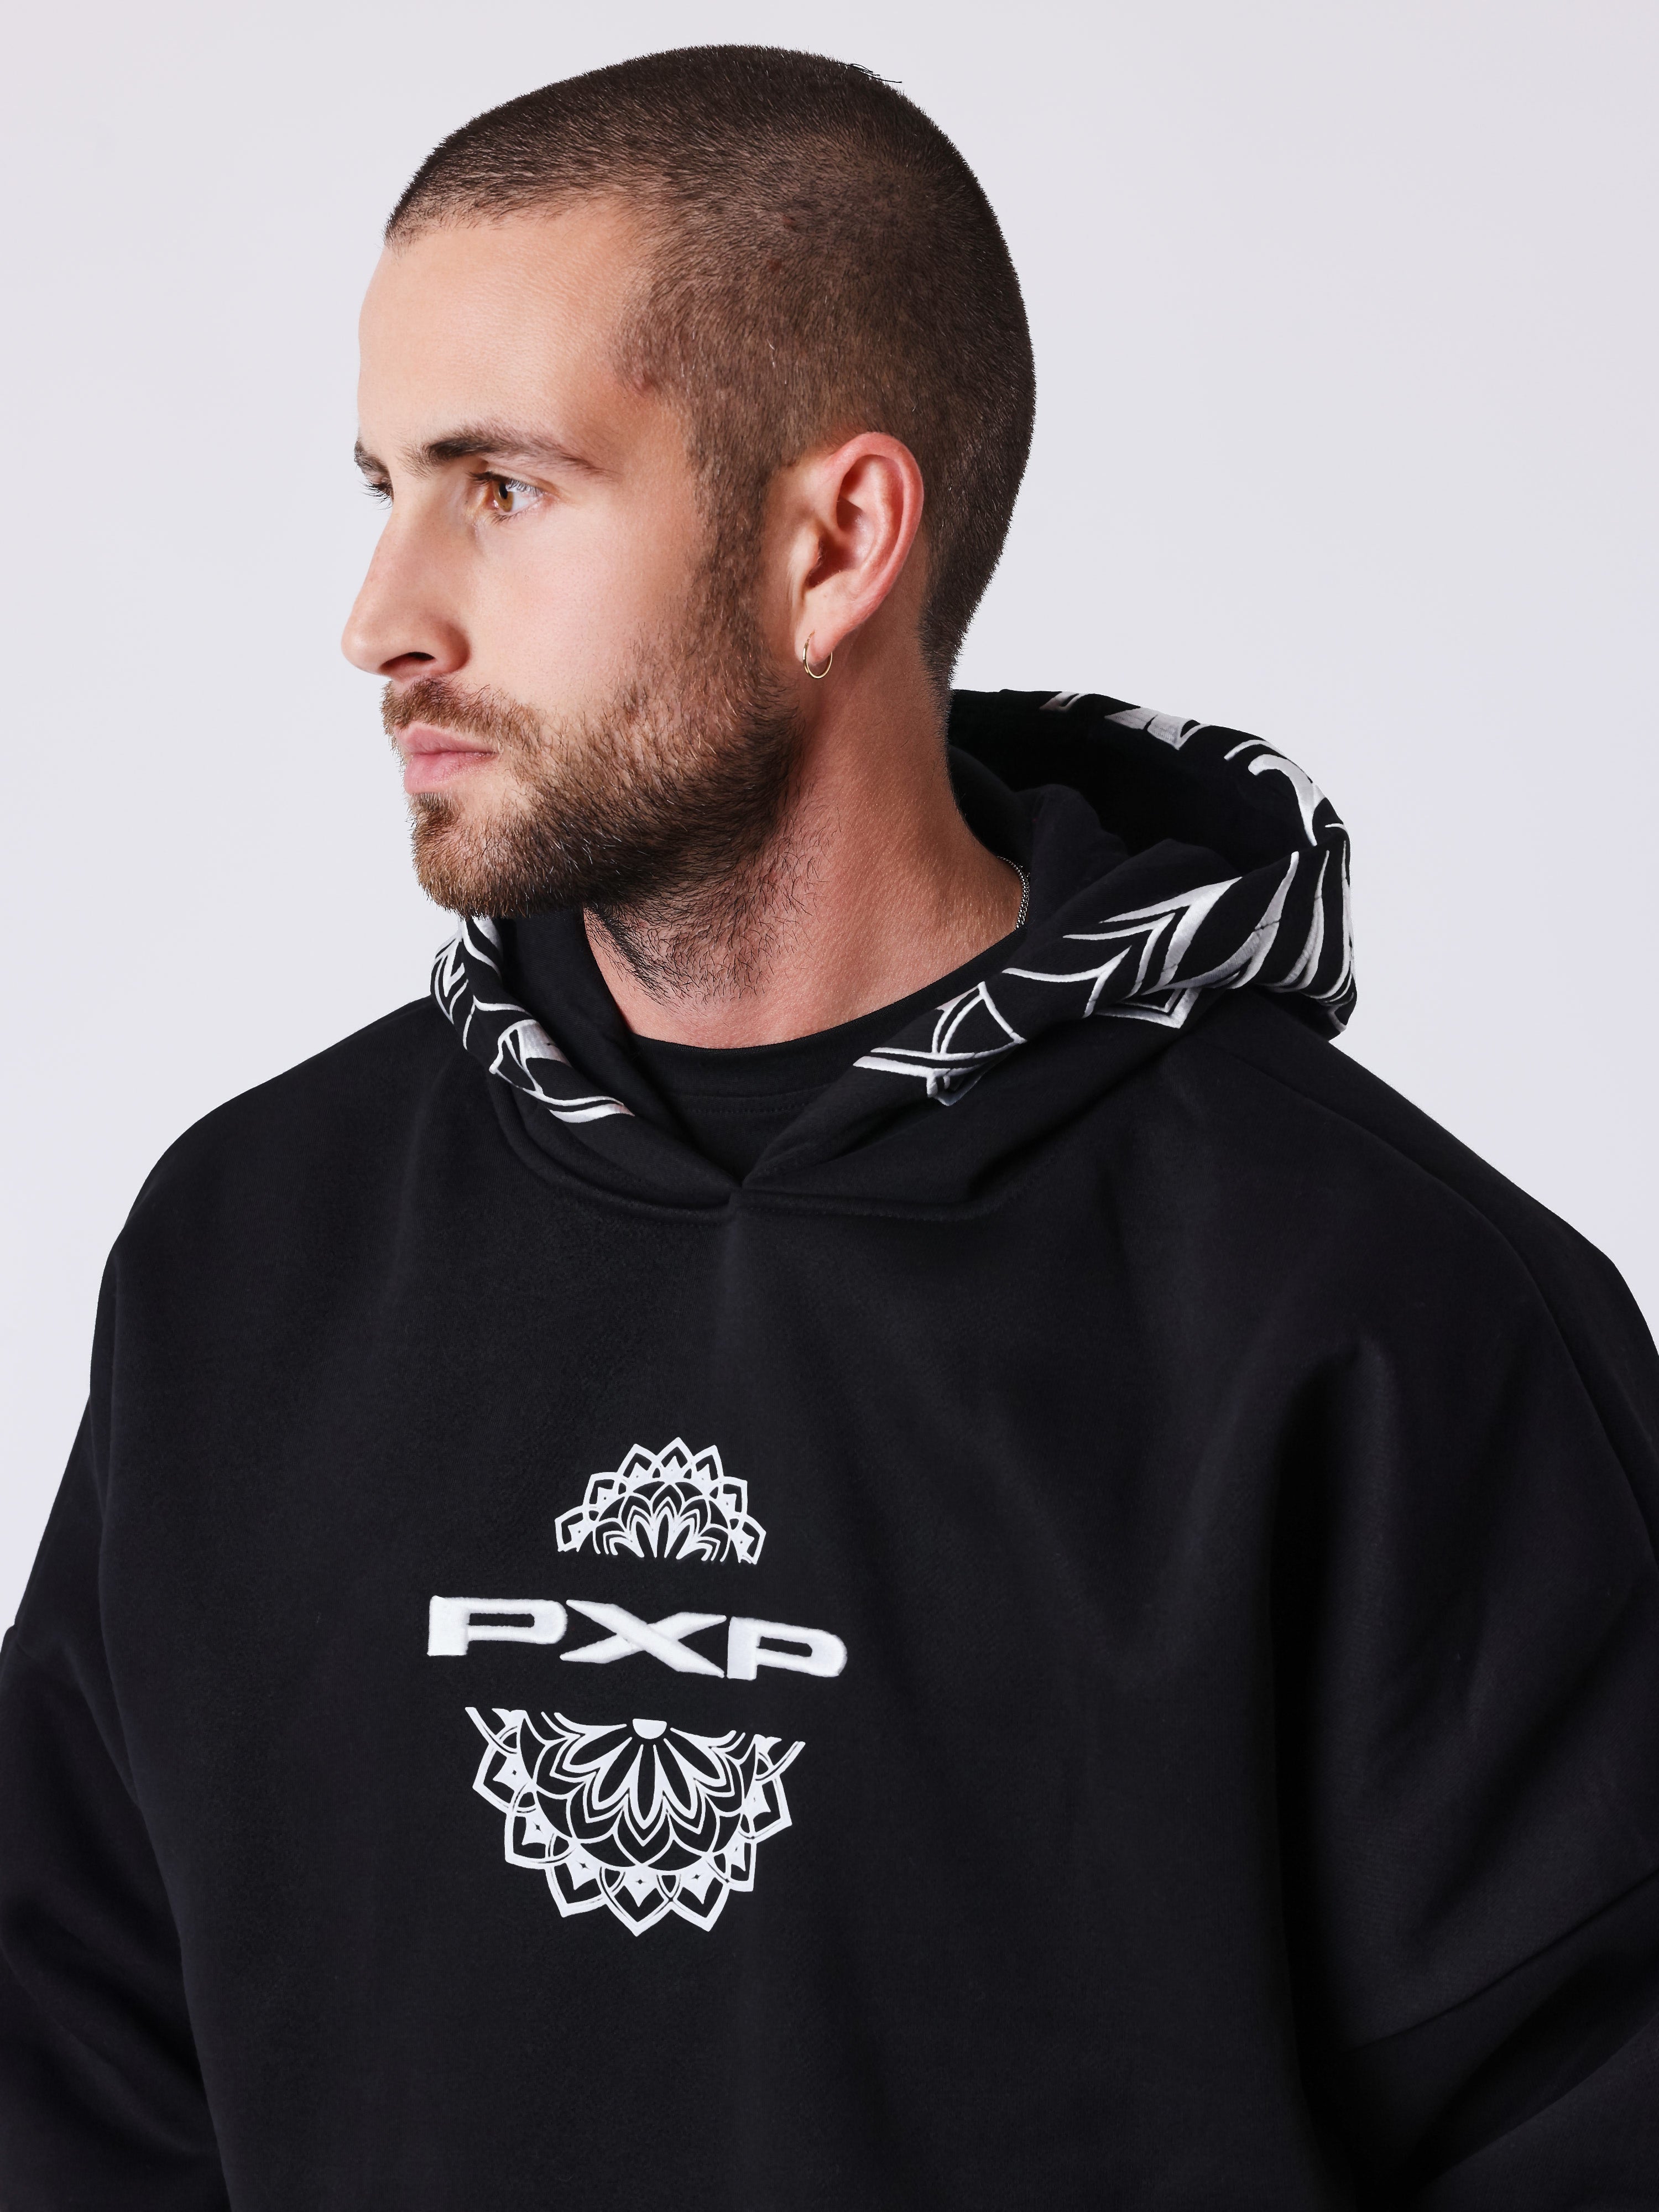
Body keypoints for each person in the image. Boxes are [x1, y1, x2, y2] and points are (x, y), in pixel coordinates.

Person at [1, 43, 1655, 2211]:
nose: (382, 618)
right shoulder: (247, 1252)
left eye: (503, 489)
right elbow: (69, 2074)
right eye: (384, 484)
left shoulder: (1380, 1307)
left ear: (836, 541)